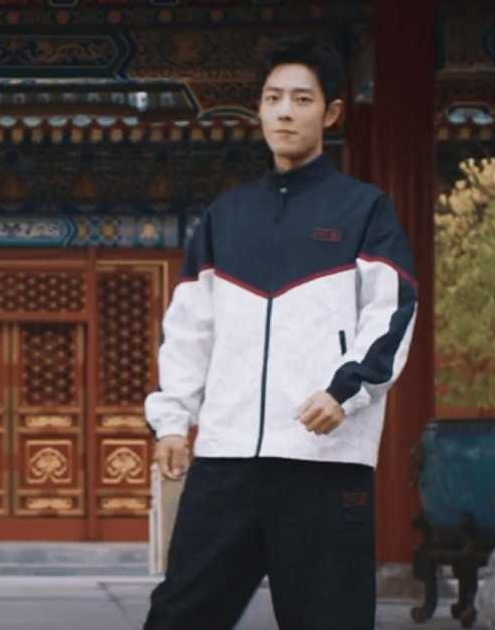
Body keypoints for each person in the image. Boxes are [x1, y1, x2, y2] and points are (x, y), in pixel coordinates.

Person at [142, 35, 418, 630]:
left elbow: (391, 313)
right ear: (260, 109)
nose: (285, 112)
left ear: (331, 113)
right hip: (226, 459)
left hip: (323, 457)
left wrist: (344, 391)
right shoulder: (226, 216)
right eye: (273, 98)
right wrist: (172, 421)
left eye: (301, 99)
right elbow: (189, 329)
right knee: (179, 615)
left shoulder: (364, 210)